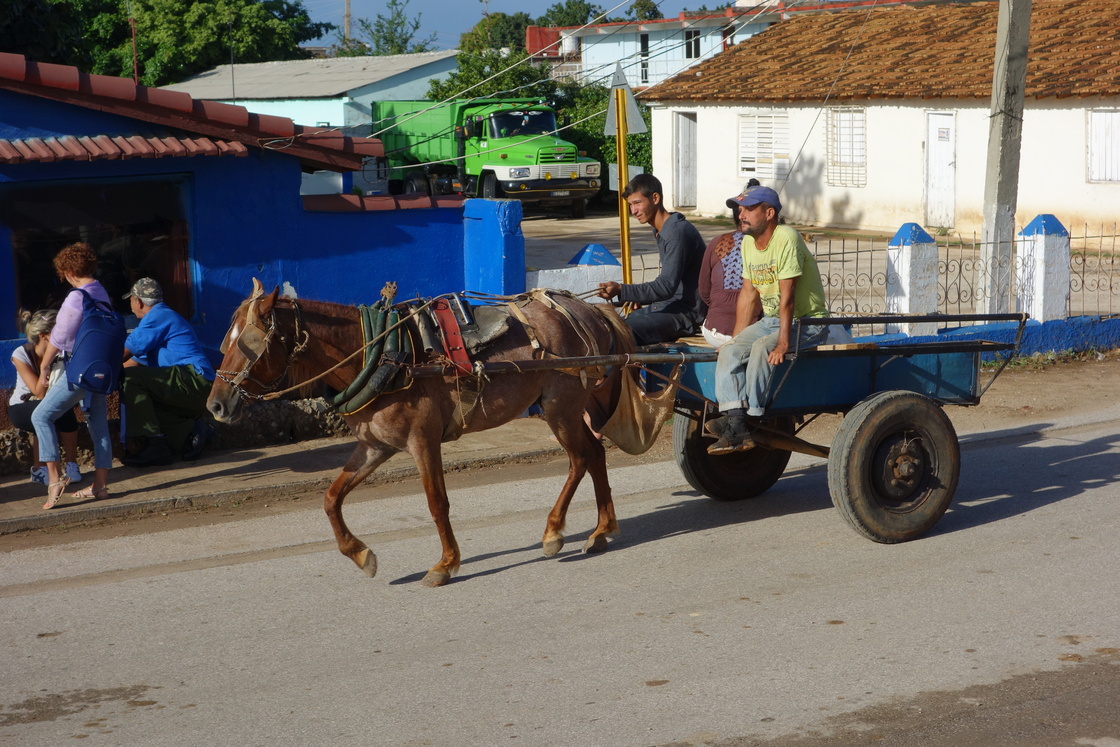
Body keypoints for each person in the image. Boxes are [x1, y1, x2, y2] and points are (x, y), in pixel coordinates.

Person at [708, 185, 830, 455]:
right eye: (740, 209)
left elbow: (788, 298)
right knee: (729, 351)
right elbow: (749, 295)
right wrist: (736, 340)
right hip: (772, 320)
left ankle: (750, 418)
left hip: (808, 321)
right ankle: (735, 421)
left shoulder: (786, 237)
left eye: (749, 209)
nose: (741, 214)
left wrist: (783, 344)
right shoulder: (749, 243)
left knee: (763, 348)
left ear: (769, 213)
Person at [31, 242, 114, 509]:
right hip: (100, 370)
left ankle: (54, 478)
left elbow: (60, 336)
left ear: (67, 270)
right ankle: (100, 486)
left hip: (78, 369)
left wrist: (44, 366)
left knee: (40, 415)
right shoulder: (101, 292)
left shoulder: (77, 296)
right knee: (98, 424)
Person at [596, 173, 706, 346]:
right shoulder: (661, 230)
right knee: (605, 326)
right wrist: (640, 298)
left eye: (637, 203)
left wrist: (621, 290)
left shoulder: (676, 232)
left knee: (621, 334)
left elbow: (666, 286)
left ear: (655, 198)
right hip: (667, 305)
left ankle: (616, 374)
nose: (633, 211)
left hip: (686, 313)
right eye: (630, 205)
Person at [119, 277, 216, 467]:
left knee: (129, 381)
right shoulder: (160, 322)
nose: (131, 305)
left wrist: (95, 371)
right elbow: (131, 363)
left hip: (195, 380)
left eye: (130, 300)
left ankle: (156, 445)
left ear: (137, 301)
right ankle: (194, 431)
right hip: (193, 387)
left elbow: (122, 355)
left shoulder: (157, 317)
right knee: (139, 398)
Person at [9, 310, 83, 486]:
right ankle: (38, 469)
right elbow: (39, 391)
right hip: (21, 407)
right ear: (44, 336)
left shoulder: (64, 351)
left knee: (60, 408)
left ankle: (72, 465)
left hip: (48, 402)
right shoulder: (20, 354)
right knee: (46, 409)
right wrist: (47, 364)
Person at [698, 178, 761, 347]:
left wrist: (722, 307)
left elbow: (704, 291)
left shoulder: (717, 242)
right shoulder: (768, 246)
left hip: (715, 332)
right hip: (752, 335)